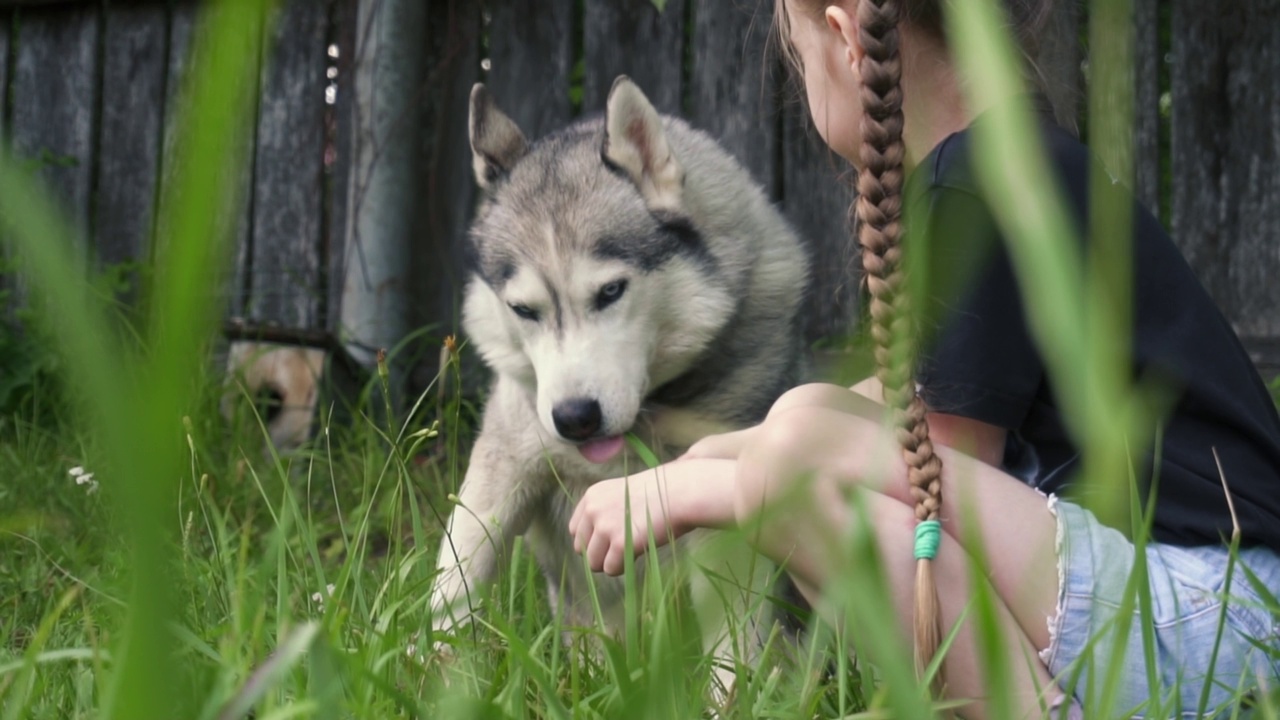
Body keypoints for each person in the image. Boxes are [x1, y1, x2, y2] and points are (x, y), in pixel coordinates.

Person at [567, 1, 1280, 718]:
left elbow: (925, 478)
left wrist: (706, 494)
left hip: (1206, 615)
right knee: (805, 418)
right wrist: (711, 457)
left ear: (846, 40)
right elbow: (885, 410)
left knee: (801, 462)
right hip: (1219, 614)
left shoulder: (977, 179)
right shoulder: (1015, 159)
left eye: (800, 56)